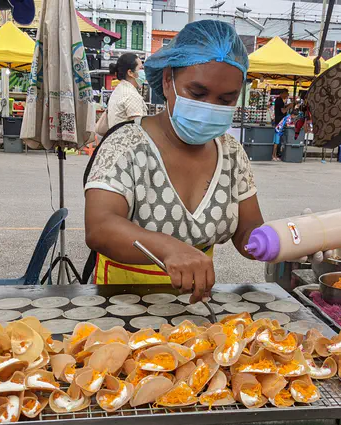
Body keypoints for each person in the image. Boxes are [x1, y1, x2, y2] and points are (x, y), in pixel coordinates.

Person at [84, 21, 264, 302]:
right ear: (168, 80)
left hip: (196, 307)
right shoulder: (126, 144)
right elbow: (100, 226)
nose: (211, 107)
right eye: (198, 93)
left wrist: (284, 243)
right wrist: (167, 248)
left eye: (226, 99)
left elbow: (247, 232)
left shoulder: (231, 154)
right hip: (122, 304)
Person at [106, 53, 146, 128]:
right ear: (130, 72)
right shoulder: (131, 95)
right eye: (140, 68)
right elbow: (138, 129)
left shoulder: (119, 89)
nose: (143, 72)